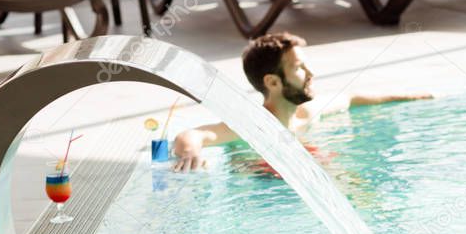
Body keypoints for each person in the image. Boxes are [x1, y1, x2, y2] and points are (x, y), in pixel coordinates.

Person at [171, 32, 432, 172]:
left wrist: (410, 96)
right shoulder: (252, 126)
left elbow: (351, 98)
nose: (310, 73)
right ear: (272, 82)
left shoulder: (307, 113)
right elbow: (192, 134)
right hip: (265, 201)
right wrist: (191, 152)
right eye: (298, 68)